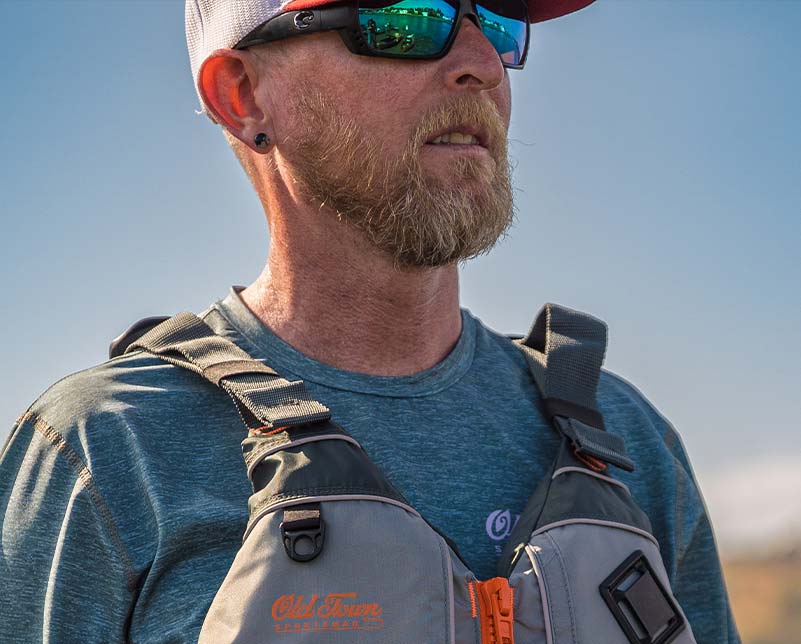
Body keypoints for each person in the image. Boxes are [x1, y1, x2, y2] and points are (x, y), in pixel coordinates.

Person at [0, 0, 740, 642]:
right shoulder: (108, 450)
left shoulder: (626, 437)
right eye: (404, 20)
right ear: (242, 95)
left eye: (496, 21)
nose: (481, 63)